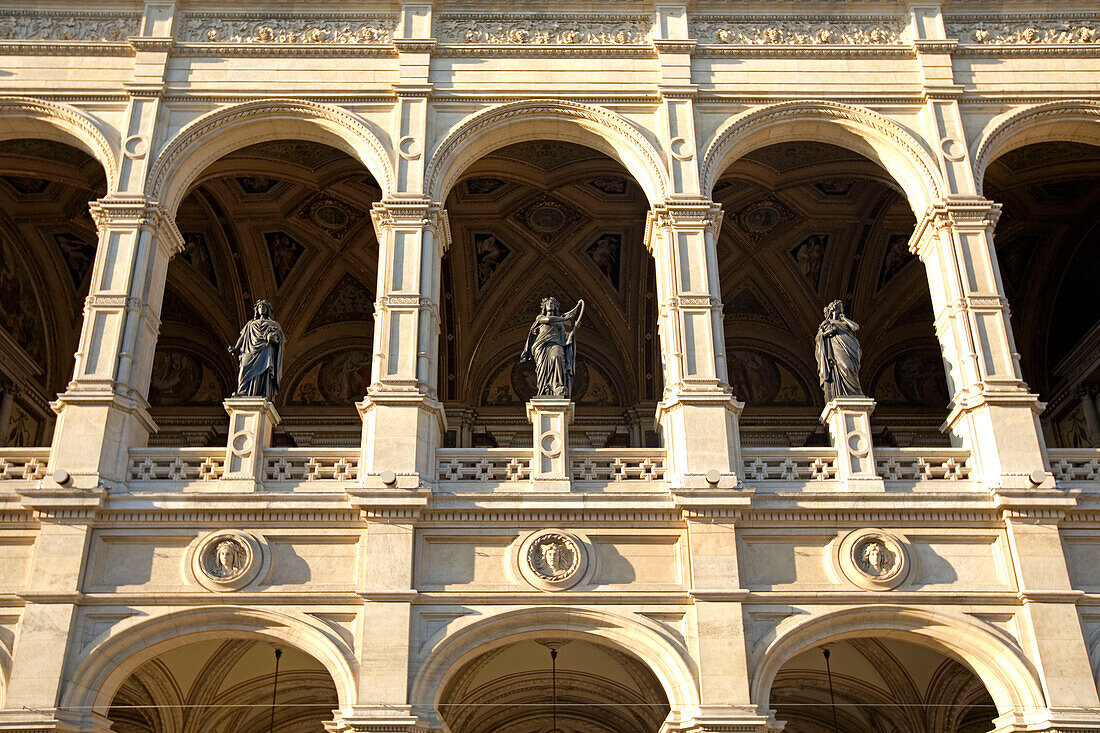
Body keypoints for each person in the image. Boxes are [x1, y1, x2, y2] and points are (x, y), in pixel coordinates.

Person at [520, 296, 584, 398]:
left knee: (558, 357)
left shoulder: (560, 323)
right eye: (548, 303)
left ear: (556, 307)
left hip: (555, 344)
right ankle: (544, 387)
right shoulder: (540, 318)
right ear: (544, 307)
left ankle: (557, 386)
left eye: (553, 303)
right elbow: (548, 319)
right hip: (541, 347)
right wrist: (565, 318)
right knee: (542, 369)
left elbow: (566, 337)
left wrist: (575, 329)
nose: (550, 305)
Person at [229, 299, 285, 398]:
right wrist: (236, 348)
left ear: (268, 310)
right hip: (250, 349)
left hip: (266, 349)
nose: (261, 308)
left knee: (264, 372)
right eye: (260, 307)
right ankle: (243, 391)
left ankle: (264, 393)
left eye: (264, 307)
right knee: (244, 368)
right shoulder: (250, 324)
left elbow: (280, 340)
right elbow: (242, 337)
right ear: (257, 310)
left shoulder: (274, 324)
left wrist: (274, 340)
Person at [815, 299, 863, 402]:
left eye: (842, 309)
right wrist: (826, 333)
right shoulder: (826, 323)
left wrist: (844, 318)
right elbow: (819, 338)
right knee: (846, 367)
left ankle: (855, 394)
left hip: (851, 348)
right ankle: (844, 394)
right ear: (833, 310)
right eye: (839, 308)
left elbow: (855, 327)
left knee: (851, 369)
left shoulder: (845, 323)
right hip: (836, 349)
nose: (841, 310)